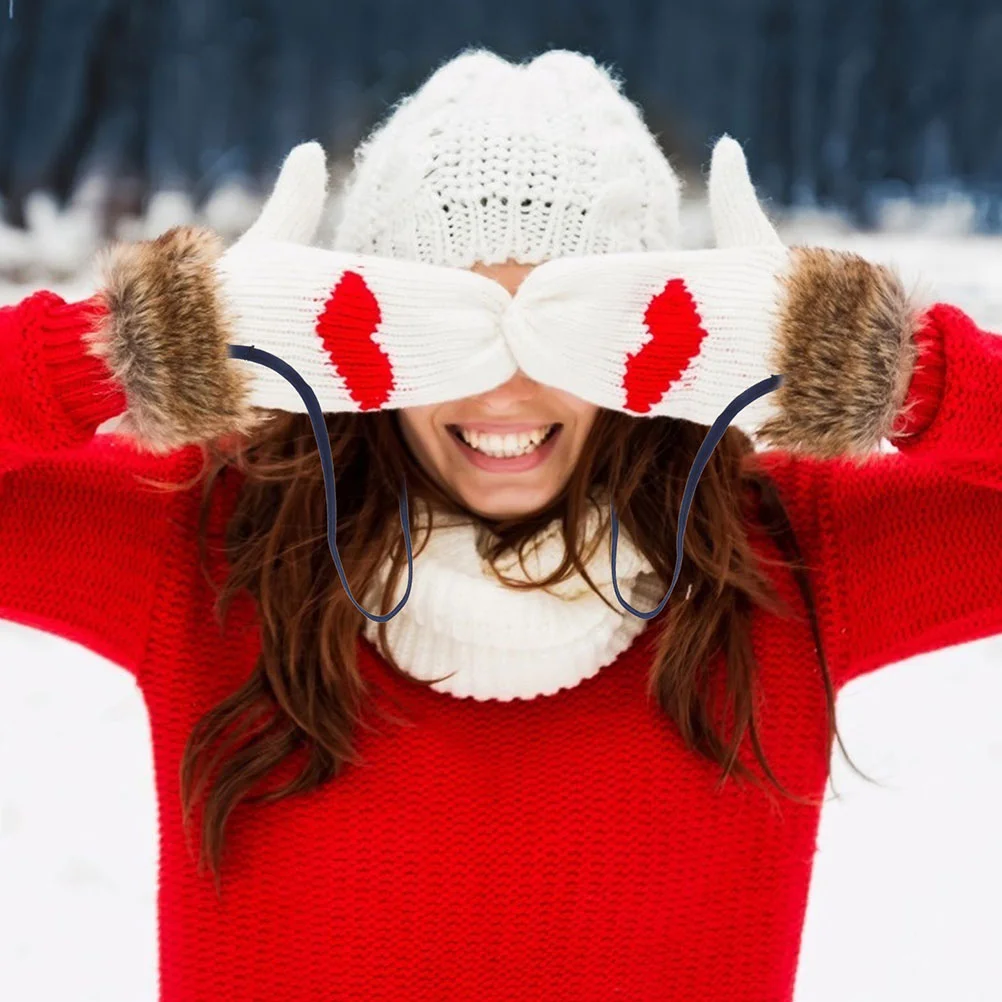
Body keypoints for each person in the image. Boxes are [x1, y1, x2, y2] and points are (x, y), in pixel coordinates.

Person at [1, 47, 1000, 1002]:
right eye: (451, 325)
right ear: (353, 327)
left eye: (568, 326)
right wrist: (136, 346)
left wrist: (883, 369)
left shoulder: (786, 554)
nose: (508, 386)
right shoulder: (210, 536)